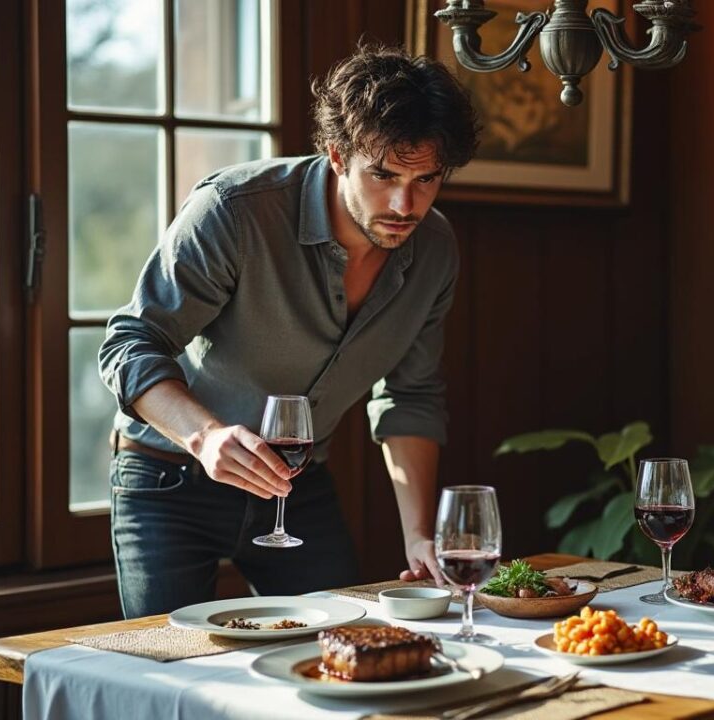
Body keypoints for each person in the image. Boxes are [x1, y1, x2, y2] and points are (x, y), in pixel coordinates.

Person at [98, 44, 479, 618]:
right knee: (170, 666)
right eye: (383, 175)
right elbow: (128, 342)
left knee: (341, 641)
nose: (405, 204)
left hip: (296, 483)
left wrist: (418, 537)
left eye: (426, 179)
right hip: (168, 480)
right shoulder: (234, 210)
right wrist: (205, 438)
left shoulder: (435, 250)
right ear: (336, 155)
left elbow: (410, 396)